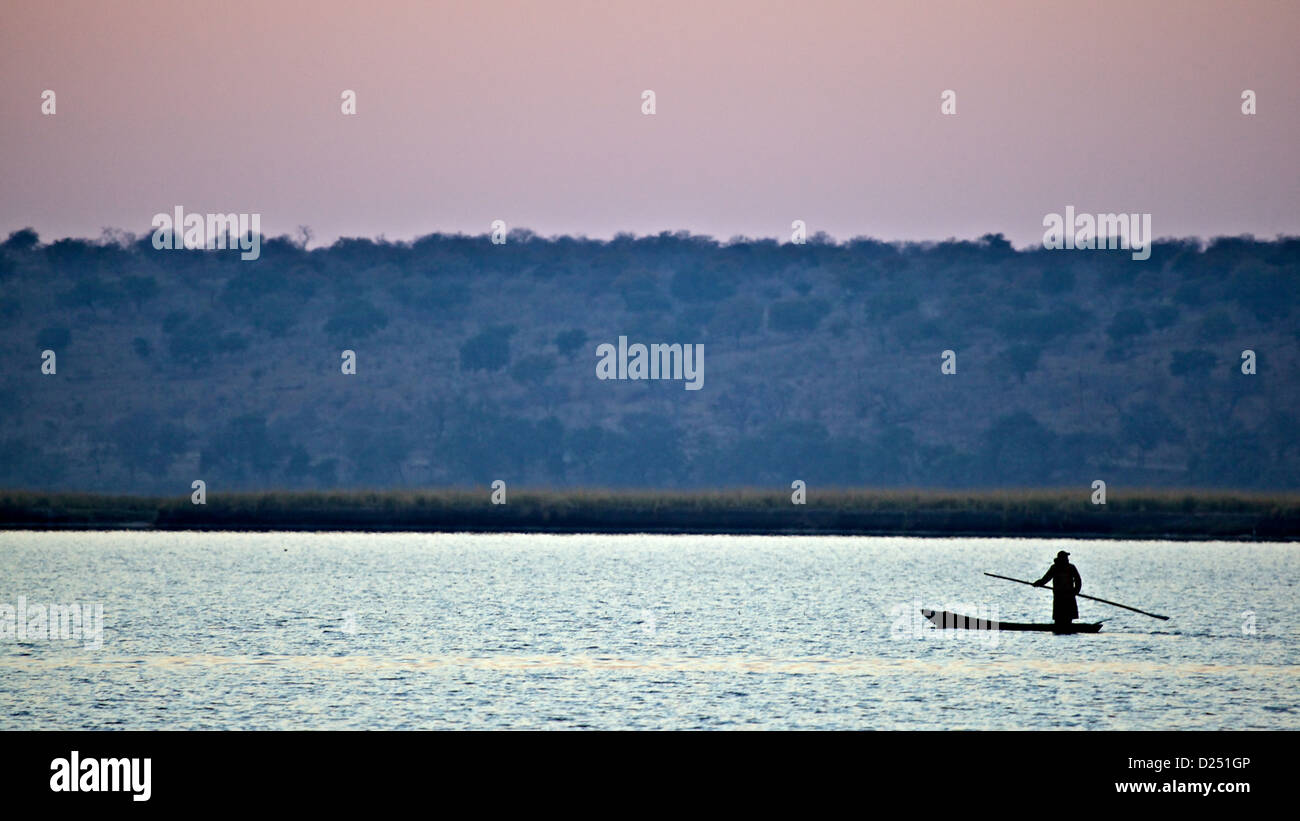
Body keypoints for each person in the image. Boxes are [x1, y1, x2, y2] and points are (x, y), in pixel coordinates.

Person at [1033, 550, 1082, 627]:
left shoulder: (1071, 567)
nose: (1067, 559)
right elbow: (1046, 579)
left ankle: (1067, 627)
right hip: (1059, 596)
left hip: (1069, 596)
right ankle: (1060, 627)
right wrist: (1038, 583)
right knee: (1059, 617)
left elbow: (1078, 580)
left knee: (1068, 617)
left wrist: (1076, 591)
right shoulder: (1055, 568)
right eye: (1066, 557)